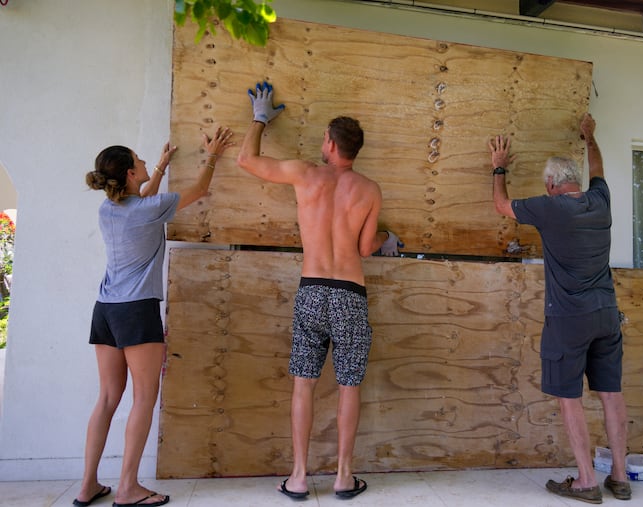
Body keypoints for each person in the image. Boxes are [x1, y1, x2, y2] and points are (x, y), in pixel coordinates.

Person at [237, 81, 402, 501]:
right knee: (349, 385)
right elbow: (366, 248)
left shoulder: (305, 175)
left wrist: (260, 118)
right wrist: (387, 235)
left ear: (329, 144)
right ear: (355, 151)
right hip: (349, 293)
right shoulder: (369, 189)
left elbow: (246, 160)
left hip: (311, 290)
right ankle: (345, 477)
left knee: (303, 385)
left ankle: (298, 477)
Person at [76, 126, 234, 507]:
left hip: (106, 311)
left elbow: (141, 202)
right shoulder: (148, 209)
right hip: (137, 310)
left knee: (108, 398)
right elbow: (198, 192)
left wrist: (161, 166)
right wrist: (211, 155)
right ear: (130, 173)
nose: (146, 160)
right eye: (141, 159)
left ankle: (87, 486)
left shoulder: (109, 209)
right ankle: (128, 488)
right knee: (144, 398)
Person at [490, 113, 630, 504]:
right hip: (607, 312)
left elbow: (502, 206)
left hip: (568, 318)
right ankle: (619, 476)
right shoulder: (599, 200)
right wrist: (591, 138)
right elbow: (599, 169)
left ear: (551, 185)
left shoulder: (550, 208)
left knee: (569, 396)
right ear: (576, 182)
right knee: (610, 394)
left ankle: (586, 480)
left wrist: (498, 167)